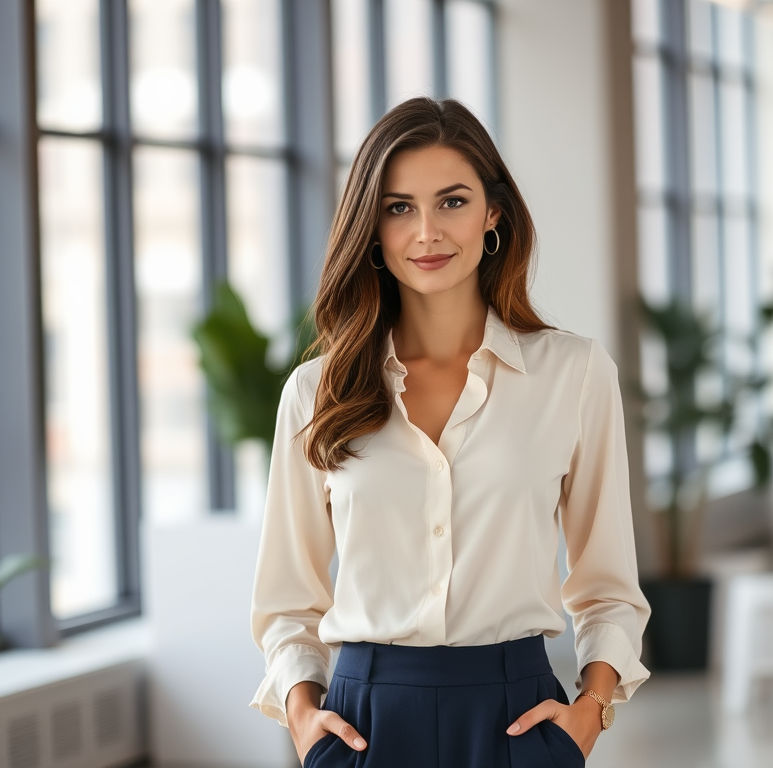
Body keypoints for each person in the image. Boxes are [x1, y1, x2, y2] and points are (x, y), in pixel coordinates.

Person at [249, 97, 650, 768]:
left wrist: (589, 714)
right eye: (399, 207)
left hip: (517, 721)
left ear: (493, 213)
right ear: (371, 226)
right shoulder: (316, 393)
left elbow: (607, 585)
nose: (427, 232)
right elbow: (287, 600)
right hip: (362, 724)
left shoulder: (572, 374)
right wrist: (302, 716)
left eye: (452, 202)